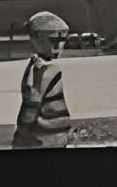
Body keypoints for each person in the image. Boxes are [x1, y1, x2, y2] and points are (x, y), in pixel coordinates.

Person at [12, 11, 74, 150]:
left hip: (52, 136)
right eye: (53, 41)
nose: (58, 47)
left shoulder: (44, 68)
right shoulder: (42, 71)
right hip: (43, 139)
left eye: (62, 41)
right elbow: (32, 104)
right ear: (38, 39)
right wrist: (22, 132)